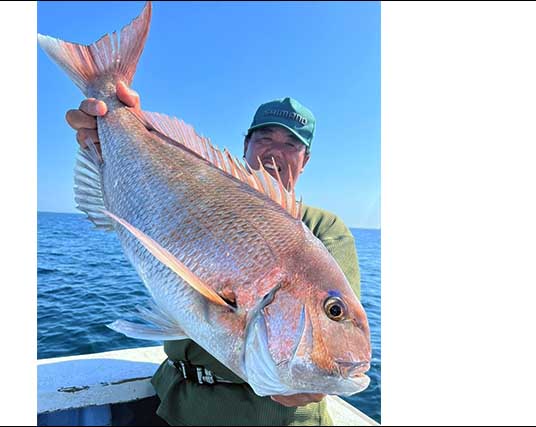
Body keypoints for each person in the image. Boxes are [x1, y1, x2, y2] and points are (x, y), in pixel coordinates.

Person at [66, 81, 362, 426]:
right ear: (246, 144)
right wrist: (112, 140)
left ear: (305, 159)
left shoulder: (323, 229)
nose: (275, 151)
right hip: (175, 403)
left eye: (291, 143)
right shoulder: (197, 194)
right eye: (265, 138)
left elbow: (323, 352)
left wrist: (312, 375)